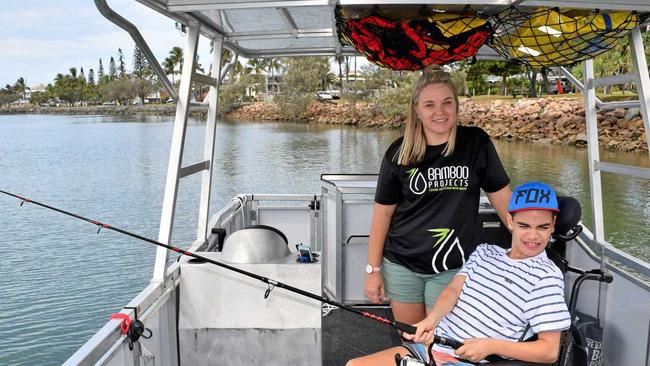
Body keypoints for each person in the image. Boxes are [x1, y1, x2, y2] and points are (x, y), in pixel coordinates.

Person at [349, 181, 571, 365]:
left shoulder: (547, 277)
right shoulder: (485, 252)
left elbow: (549, 351)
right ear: (510, 221)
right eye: (525, 226)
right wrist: (431, 321)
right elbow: (454, 290)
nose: (533, 236)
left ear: (553, 225)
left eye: (542, 227)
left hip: (467, 361)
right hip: (430, 349)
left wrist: (490, 346)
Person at [365, 66, 512, 326]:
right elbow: (382, 214)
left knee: (442, 344)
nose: (440, 112)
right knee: (412, 341)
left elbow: (502, 199)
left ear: (456, 105)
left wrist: (527, 240)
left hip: (452, 267)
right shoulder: (398, 153)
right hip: (402, 265)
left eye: (447, 102)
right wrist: (373, 270)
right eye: (430, 105)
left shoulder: (475, 144)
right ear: (417, 110)